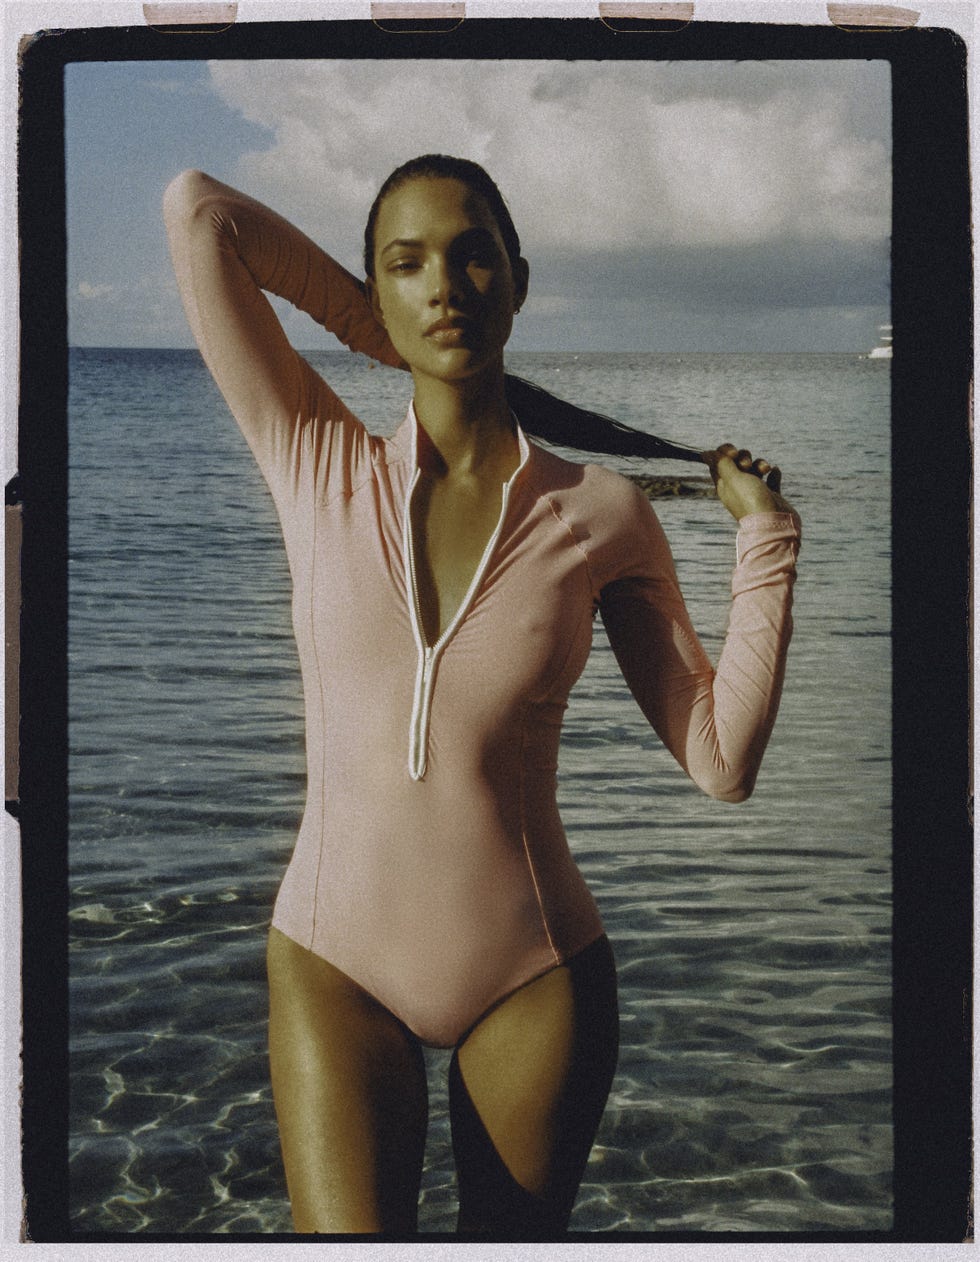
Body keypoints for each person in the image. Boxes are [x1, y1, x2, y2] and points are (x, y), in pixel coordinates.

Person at [163, 154, 800, 1237]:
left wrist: (765, 539)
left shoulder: (600, 512)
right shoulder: (315, 457)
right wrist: (384, 334)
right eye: (404, 265)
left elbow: (720, 761)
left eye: (472, 257)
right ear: (374, 289)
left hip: (534, 976)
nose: (443, 285)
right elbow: (199, 213)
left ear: (518, 277)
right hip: (334, 961)